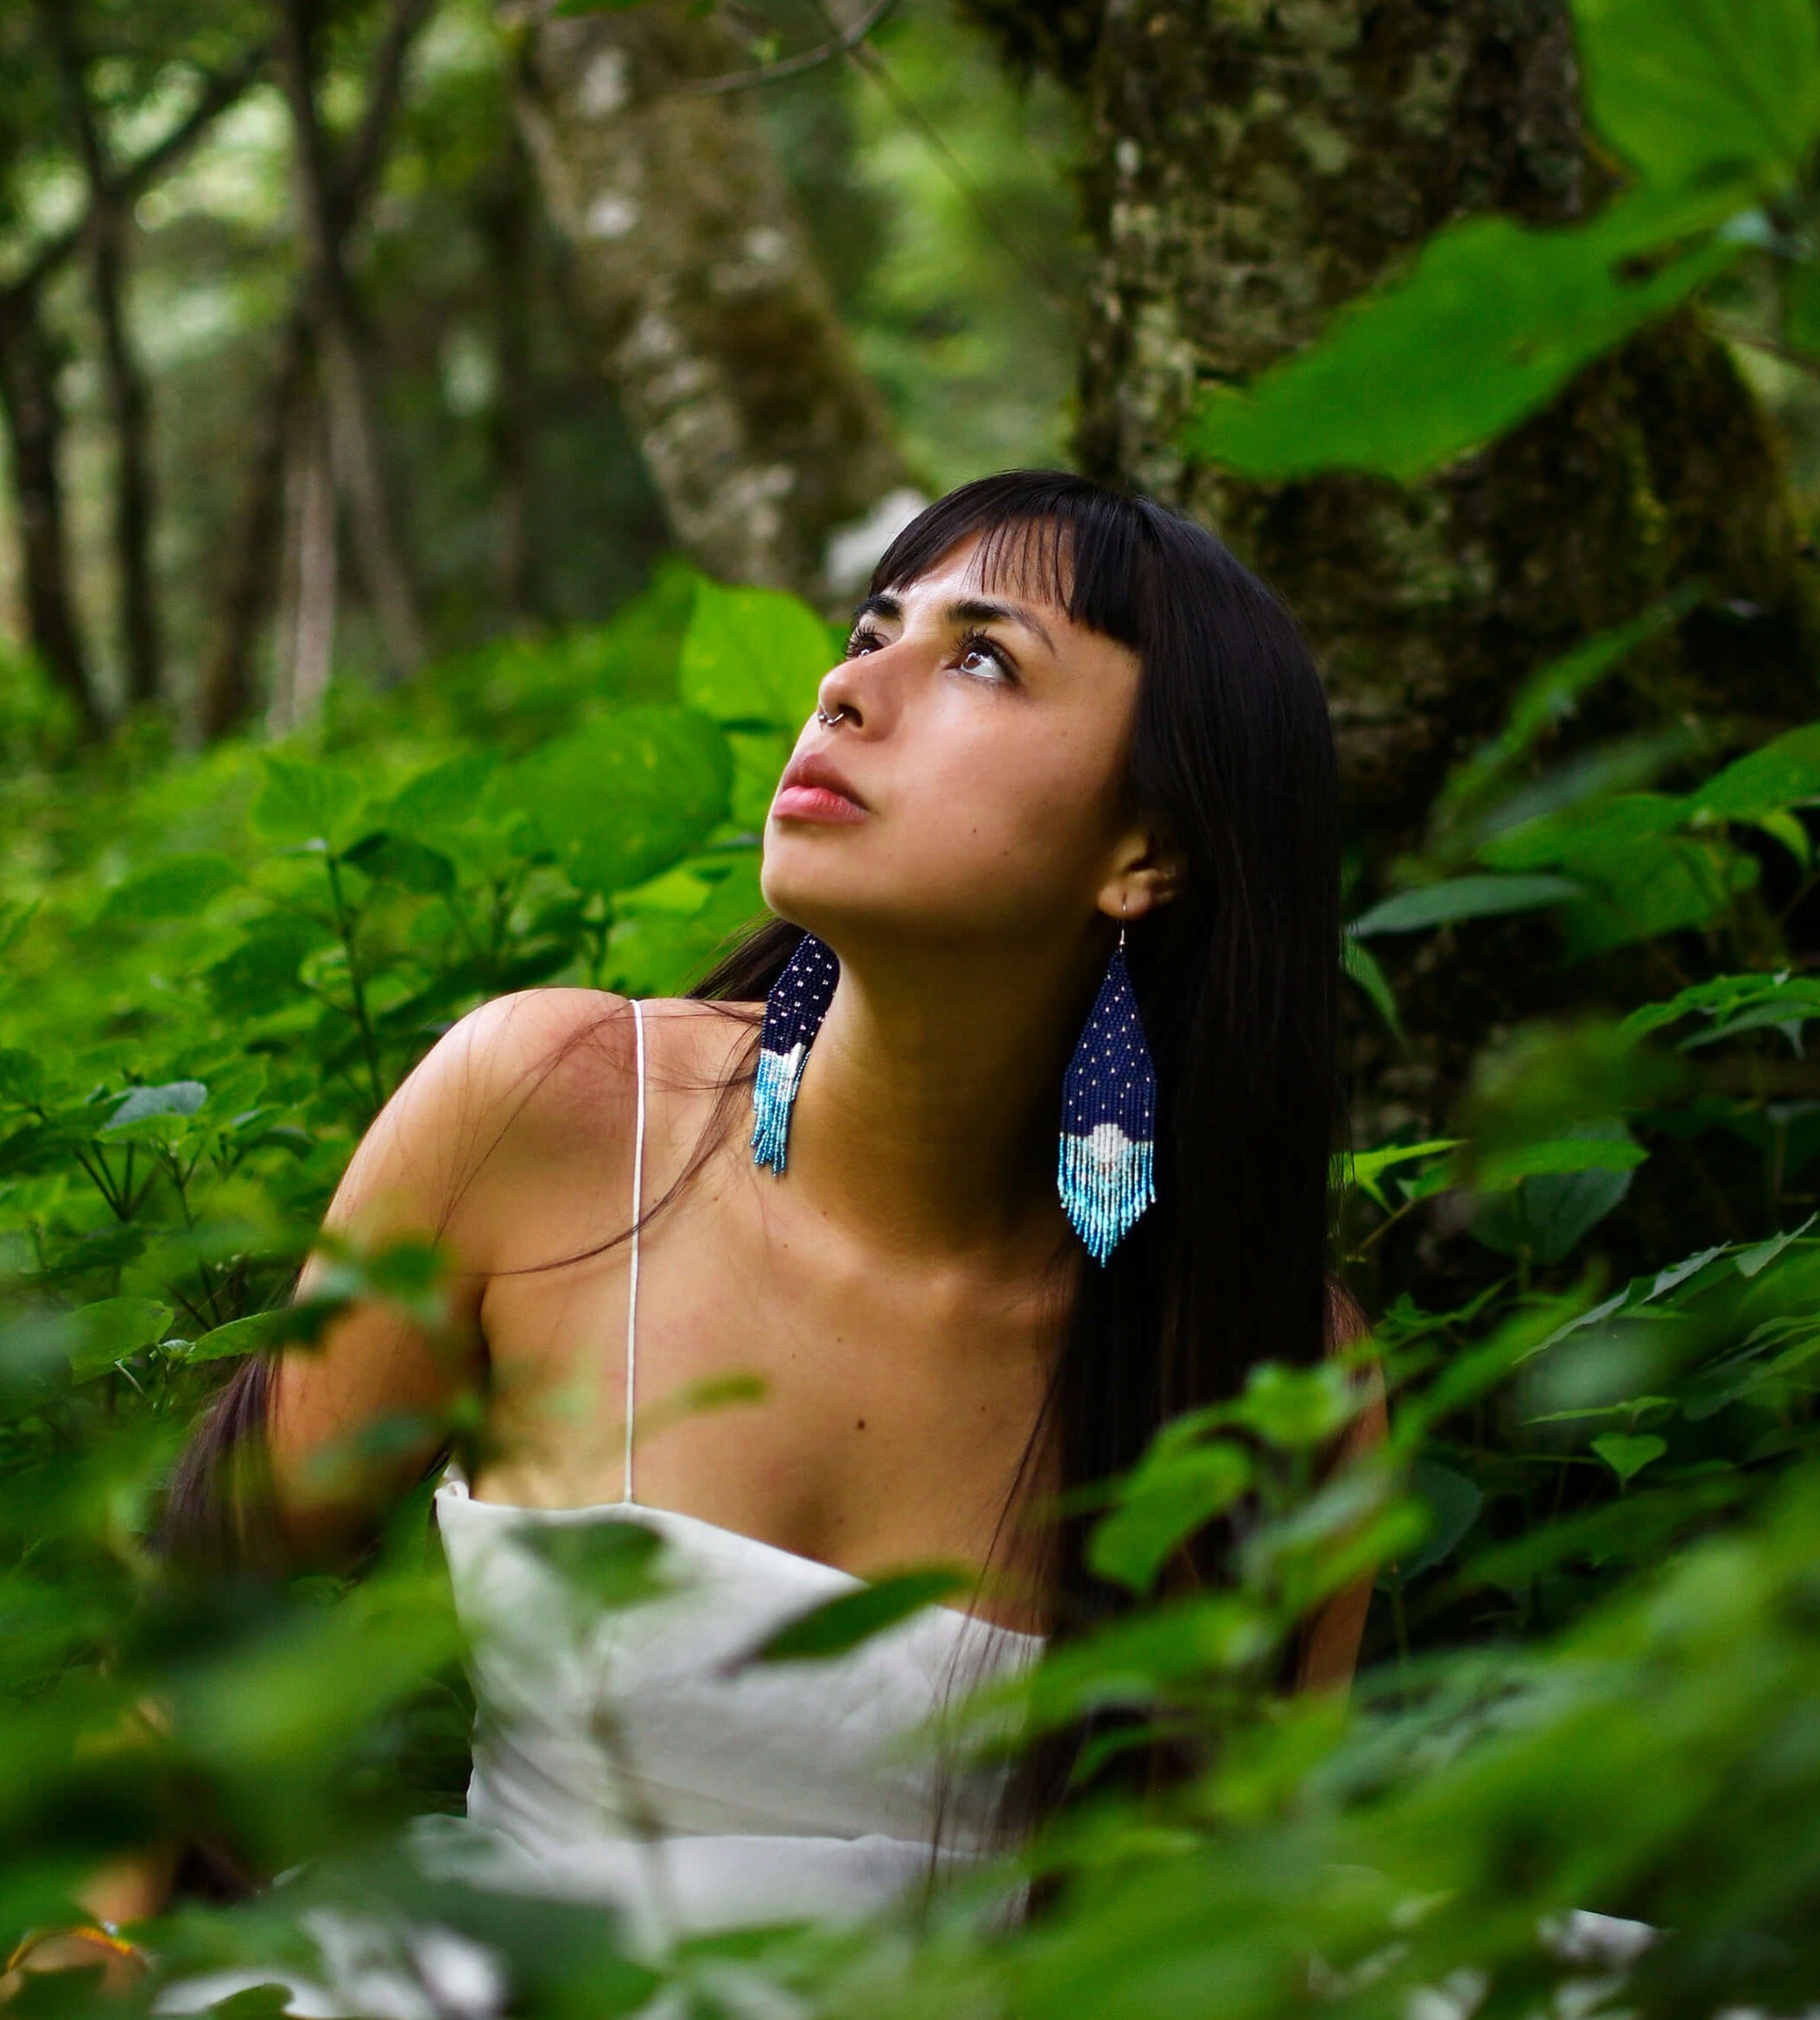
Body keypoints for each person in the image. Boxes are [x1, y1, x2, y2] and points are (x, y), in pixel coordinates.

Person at [89, 471, 1382, 1989]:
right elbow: (205, 1599)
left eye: (981, 657)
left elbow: (1229, 1935)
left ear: (1143, 854)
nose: (847, 685)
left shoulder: (1255, 1368)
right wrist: (88, 1943)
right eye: (871, 629)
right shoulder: (551, 1111)